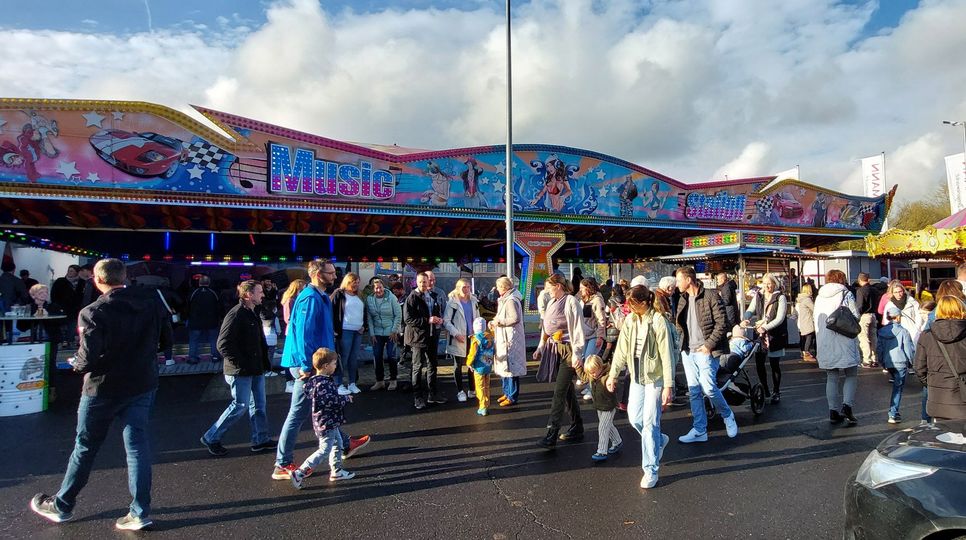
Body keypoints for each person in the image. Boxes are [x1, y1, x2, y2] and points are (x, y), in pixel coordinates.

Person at [29, 258, 171, 531]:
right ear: (125, 276)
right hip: (142, 382)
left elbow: (88, 359)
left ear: (97, 279)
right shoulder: (151, 304)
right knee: (137, 447)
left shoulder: (93, 312)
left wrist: (76, 365)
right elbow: (166, 342)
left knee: (85, 447)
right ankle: (139, 512)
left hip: (102, 388)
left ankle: (62, 505)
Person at [273, 260, 369, 480]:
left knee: (324, 408)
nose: (335, 276)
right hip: (310, 367)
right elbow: (304, 335)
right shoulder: (309, 298)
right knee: (297, 414)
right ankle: (282, 463)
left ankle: (345, 444)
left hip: (319, 364)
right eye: (330, 273)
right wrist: (308, 367)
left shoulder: (320, 296)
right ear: (317, 274)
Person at [606, 285, 674, 488]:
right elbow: (620, 350)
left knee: (650, 423)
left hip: (655, 378)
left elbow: (667, 355)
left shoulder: (658, 321)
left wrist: (668, 386)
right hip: (636, 377)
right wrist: (613, 374)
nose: (629, 308)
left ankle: (651, 469)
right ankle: (659, 440)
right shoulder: (630, 320)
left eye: (632, 304)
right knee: (635, 418)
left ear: (644, 303)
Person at [199, 280, 274, 456]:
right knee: (240, 405)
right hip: (241, 371)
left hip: (255, 369)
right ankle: (211, 436)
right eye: (259, 292)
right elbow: (222, 344)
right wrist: (241, 363)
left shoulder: (252, 312)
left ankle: (260, 440)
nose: (262, 295)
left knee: (259, 406)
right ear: (248, 294)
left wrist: (261, 363)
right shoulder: (236, 314)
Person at [674, 266, 738, 443]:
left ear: (688, 280)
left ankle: (727, 415)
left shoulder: (710, 295)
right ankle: (699, 430)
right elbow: (680, 324)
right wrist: (681, 344)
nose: (677, 283)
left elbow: (722, 323)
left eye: (679, 279)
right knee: (694, 391)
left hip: (706, 351)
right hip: (688, 351)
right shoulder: (682, 299)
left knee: (708, 387)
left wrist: (708, 345)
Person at [290, 348, 356, 489]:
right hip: (327, 422)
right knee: (325, 449)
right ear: (326, 366)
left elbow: (311, 394)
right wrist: (344, 398)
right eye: (333, 363)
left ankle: (336, 471)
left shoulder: (315, 381)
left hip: (325, 421)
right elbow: (330, 401)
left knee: (337, 444)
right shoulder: (323, 384)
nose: (335, 366)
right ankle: (300, 472)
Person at [534, 273, 586, 448]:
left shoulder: (571, 302)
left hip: (569, 351)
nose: (547, 290)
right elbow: (546, 326)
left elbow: (578, 328)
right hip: (555, 349)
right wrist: (541, 346)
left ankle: (552, 432)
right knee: (566, 389)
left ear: (558, 286)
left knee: (559, 391)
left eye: (549, 287)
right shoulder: (551, 302)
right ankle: (577, 425)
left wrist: (578, 353)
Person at [814, 269, 861, 425]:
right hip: (845, 338)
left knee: (832, 377)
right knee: (851, 373)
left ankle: (832, 411)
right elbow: (855, 315)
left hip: (825, 340)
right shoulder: (845, 294)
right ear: (842, 279)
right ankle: (847, 407)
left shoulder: (819, 296)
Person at [914, 296, 966, 422]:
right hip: (963, 398)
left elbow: (919, 369)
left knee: (944, 438)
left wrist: (933, 383)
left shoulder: (926, 336)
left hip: (938, 400)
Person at [405, 272, 445, 409]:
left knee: (433, 365)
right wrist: (428, 320)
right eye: (420, 282)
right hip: (418, 338)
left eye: (425, 282)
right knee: (417, 367)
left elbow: (436, 313)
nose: (423, 284)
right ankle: (418, 397)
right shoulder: (412, 298)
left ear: (429, 282)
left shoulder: (433, 296)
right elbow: (408, 319)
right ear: (417, 282)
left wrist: (438, 319)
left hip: (432, 336)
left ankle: (433, 394)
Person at [744, 273, 786, 403]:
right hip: (760, 334)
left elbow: (780, 318)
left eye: (770, 283)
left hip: (775, 334)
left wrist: (766, 327)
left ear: (775, 284)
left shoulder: (780, 297)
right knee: (759, 363)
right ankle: (765, 388)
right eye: (765, 283)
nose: (767, 286)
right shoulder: (758, 295)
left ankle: (776, 391)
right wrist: (746, 318)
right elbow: (750, 310)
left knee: (774, 365)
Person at [575, 354, 622, 462]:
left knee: (602, 428)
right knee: (608, 426)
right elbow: (584, 376)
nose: (592, 375)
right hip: (600, 406)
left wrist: (613, 386)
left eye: (594, 371)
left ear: (600, 367)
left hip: (609, 407)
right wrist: (578, 367)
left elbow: (615, 384)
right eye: (590, 372)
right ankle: (617, 441)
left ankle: (601, 451)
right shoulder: (592, 376)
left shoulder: (607, 377)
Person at [443, 278, 481, 402]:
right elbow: (446, 321)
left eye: (468, 287)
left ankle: (472, 389)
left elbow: (477, 318)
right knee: (458, 365)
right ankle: (460, 391)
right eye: (463, 287)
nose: (466, 289)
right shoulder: (452, 303)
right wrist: (456, 334)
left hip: (472, 337)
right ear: (458, 289)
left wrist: (479, 333)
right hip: (459, 338)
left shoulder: (474, 301)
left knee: (472, 364)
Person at [876, 305, 916, 424]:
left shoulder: (881, 332)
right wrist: (912, 362)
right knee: (898, 388)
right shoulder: (904, 331)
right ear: (898, 317)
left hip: (889, 362)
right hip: (901, 362)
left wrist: (882, 362)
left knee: (896, 386)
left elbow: (879, 349)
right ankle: (893, 413)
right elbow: (909, 349)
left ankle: (893, 412)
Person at [492, 276, 527, 406]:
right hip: (504, 337)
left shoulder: (511, 300)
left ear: (504, 287)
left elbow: (515, 318)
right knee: (504, 367)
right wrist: (494, 322)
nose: (497, 289)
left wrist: (499, 322)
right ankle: (506, 393)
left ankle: (512, 396)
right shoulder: (504, 299)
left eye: (498, 286)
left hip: (510, 339)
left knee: (511, 368)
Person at [24, 284, 64, 400]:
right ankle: (32, 390)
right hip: (33, 341)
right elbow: (22, 326)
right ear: (33, 295)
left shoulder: (53, 307)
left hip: (50, 340)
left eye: (46, 293)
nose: (44, 295)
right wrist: (34, 319)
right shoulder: (29, 308)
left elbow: (60, 322)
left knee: (50, 364)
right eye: (41, 293)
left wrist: (47, 317)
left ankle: (52, 390)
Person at [331, 272, 365, 395]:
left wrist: (364, 327)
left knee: (354, 358)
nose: (356, 284)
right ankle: (338, 383)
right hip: (345, 330)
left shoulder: (360, 295)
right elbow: (332, 311)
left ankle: (352, 383)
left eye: (357, 282)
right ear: (347, 282)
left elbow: (364, 312)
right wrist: (334, 329)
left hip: (358, 331)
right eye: (353, 282)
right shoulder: (340, 294)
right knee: (343, 358)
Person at [366, 278, 402, 391]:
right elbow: (370, 318)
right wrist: (372, 333)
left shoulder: (391, 297)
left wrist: (394, 330)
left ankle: (393, 380)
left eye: (380, 287)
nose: (378, 290)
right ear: (373, 289)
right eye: (376, 288)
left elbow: (398, 315)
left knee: (391, 356)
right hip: (377, 332)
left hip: (391, 331)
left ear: (383, 287)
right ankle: (380, 381)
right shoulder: (369, 299)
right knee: (377, 356)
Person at [577, 278, 608, 401]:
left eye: (582, 288)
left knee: (590, 362)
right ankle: (590, 385)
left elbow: (601, 320)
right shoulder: (583, 299)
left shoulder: (597, 301)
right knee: (584, 359)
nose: (580, 290)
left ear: (588, 288)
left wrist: (600, 336)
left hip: (594, 335)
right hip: (585, 334)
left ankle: (592, 389)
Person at [187, 275, 223, 364]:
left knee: (194, 340)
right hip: (212, 321)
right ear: (209, 283)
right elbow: (219, 307)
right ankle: (215, 357)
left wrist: (187, 317)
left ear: (199, 282)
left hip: (195, 321)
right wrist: (221, 317)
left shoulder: (193, 293)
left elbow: (187, 306)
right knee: (213, 339)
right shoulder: (214, 293)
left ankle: (192, 358)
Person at [466, 317, 495, 416]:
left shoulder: (475, 340)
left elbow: (472, 354)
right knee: (487, 385)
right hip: (488, 366)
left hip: (478, 367)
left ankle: (482, 407)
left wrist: (469, 363)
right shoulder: (490, 337)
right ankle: (487, 403)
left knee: (480, 387)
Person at [883, 280, 922, 345]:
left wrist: (917, 328)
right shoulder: (889, 305)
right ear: (892, 293)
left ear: (903, 291)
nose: (898, 294)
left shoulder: (912, 302)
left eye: (900, 291)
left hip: (912, 333)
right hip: (897, 334)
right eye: (895, 292)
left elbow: (919, 316)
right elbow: (886, 320)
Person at [854, 273, 879, 368]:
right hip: (873, 315)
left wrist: (857, 315)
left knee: (864, 338)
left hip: (864, 316)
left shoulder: (860, 291)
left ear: (859, 280)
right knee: (873, 338)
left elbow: (860, 305)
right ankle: (874, 359)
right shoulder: (874, 290)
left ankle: (866, 360)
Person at [796, 283, 817, 362]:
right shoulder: (807, 299)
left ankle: (805, 352)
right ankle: (806, 353)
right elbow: (814, 308)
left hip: (803, 322)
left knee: (805, 338)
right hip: (808, 321)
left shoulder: (801, 299)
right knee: (809, 338)